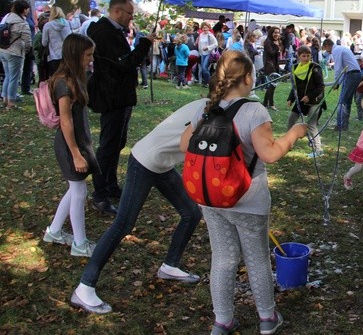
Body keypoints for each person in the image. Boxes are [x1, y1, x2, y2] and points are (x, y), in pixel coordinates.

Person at [181, 50, 307, 335]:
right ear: (249, 78)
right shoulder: (254, 111)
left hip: (211, 198)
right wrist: (294, 134)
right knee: (257, 259)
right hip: (249, 200)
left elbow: (183, 145)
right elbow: (270, 153)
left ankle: (222, 321)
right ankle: (266, 319)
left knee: (223, 258)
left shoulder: (203, 107)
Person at [70, 99, 205, 315]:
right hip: (144, 161)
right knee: (123, 223)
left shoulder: (213, 105)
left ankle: (170, 266)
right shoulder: (209, 110)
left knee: (191, 213)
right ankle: (84, 288)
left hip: (161, 164)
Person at [86, 0, 155, 216]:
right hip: (111, 96)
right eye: (129, 14)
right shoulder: (105, 32)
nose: (131, 19)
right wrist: (145, 43)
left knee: (117, 143)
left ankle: (110, 185)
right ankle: (99, 195)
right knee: (107, 146)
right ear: (116, 12)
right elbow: (126, 63)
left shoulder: (112, 31)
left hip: (120, 96)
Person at [42, 34, 100, 256]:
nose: (91, 59)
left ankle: (55, 231)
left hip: (79, 142)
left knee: (75, 189)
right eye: (87, 55)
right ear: (76, 54)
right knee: (79, 191)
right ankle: (80, 244)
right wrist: (75, 153)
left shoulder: (75, 78)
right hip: (69, 145)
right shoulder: (63, 83)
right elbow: (65, 121)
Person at [287, 45, 326, 158]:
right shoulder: (295, 68)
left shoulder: (315, 68)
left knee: (311, 125)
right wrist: (291, 98)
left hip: (314, 101)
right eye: (303, 56)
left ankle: (318, 149)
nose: (306, 58)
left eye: (308, 56)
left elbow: (321, 86)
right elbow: (294, 86)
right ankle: (288, 143)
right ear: (298, 56)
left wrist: (309, 96)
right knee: (291, 120)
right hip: (300, 101)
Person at [321, 38, 363, 131]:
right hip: (354, 74)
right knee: (347, 101)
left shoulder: (336, 51)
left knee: (343, 101)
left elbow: (338, 68)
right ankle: (344, 125)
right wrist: (338, 83)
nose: (327, 51)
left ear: (327, 46)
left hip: (352, 75)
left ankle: (340, 125)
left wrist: (336, 83)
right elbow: (344, 69)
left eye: (325, 49)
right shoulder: (342, 48)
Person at [0, 0, 31, 110]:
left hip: (3, 50)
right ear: (23, 10)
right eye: (27, 9)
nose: (28, 11)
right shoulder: (22, 23)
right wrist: (27, 50)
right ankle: (11, 102)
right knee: (14, 78)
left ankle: (5, 99)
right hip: (15, 52)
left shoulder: (7, 18)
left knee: (8, 76)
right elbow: (27, 40)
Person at [42, 6, 74, 78]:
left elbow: (44, 43)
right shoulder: (68, 23)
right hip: (67, 54)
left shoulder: (48, 25)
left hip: (53, 56)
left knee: (55, 78)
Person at [262, 26, 282, 111]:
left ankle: (265, 103)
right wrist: (277, 47)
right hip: (269, 65)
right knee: (272, 85)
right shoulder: (268, 42)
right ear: (271, 33)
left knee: (272, 84)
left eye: (278, 32)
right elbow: (271, 53)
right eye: (275, 32)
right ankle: (271, 104)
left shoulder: (273, 42)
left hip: (274, 64)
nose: (277, 34)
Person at [197, 22, 217, 86]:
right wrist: (200, 52)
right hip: (202, 53)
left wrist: (208, 48)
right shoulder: (201, 35)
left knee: (205, 68)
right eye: (203, 28)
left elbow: (215, 44)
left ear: (208, 28)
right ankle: (206, 82)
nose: (205, 29)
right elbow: (199, 44)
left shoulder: (210, 35)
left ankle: (209, 82)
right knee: (203, 69)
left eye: (206, 28)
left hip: (209, 53)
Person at [353, 56, 363, 121]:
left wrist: (357, 86)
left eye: (356, 60)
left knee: (358, 102)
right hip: (357, 89)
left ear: (360, 61)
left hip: (361, 89)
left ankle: (360, 117)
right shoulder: (358, 67)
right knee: (361, 102)